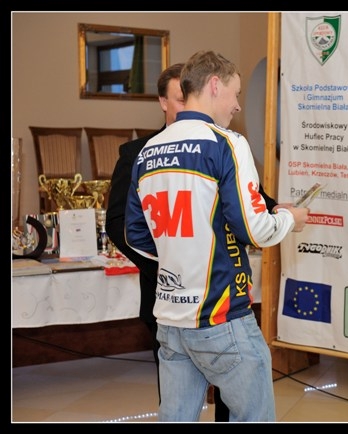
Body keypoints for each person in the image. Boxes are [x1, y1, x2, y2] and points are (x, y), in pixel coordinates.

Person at [124, 49, 309, 422]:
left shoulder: (147, 151)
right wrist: (290, 218)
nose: (238, 105)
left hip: (171, 318)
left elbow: (136, 235)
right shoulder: (226, 142)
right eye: (235, 93)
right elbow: (255, 229)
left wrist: (182, 252)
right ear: (213, 85)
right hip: (221, 315)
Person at [106, 62, 232, 421]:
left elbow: (248, 200)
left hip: (218, 293)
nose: (190, 106)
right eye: (180, 99)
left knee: (230, 388)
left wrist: (277, 210)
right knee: (177, 399)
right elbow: (118, 224)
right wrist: (165, 265)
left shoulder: (219, 145)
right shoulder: (136, 153)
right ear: (163, 102)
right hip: (165, 293)